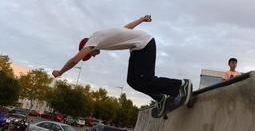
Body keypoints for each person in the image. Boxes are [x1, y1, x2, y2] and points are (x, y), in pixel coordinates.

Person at [52, 15, 192, 117]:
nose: (93, 55)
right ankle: (160, 97)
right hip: (137, 49)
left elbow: (74, 61)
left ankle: (181, 84)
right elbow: (127, 29)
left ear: (87, 47)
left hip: (145, 44)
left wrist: (61, 72)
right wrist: (141, 19)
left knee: (146, 79)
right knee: (132, 81)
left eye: (90, 54)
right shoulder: (102, 36)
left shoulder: (92, 41)